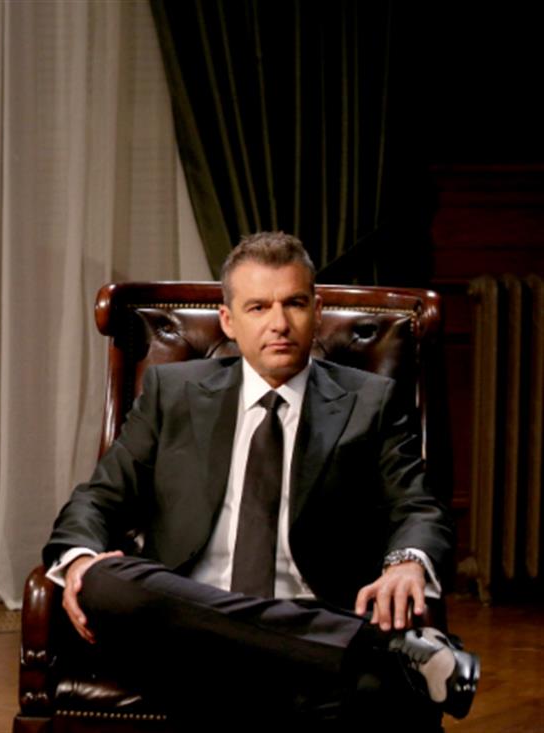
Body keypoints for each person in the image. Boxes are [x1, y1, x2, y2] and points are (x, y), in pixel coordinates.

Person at [44, 232, 479, 727]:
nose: (279, 324)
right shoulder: (173, 394)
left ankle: (333, 650)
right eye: (258, 307)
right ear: (228, 320)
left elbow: (418, 507)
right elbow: (98, 499)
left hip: (310, 622)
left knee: (377, 693)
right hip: (189, 626)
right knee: (100, 579)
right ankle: (383, 649)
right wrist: (79, 559)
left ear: (317, 310)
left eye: (294, 303)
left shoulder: (370, 401)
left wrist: (408, 563)